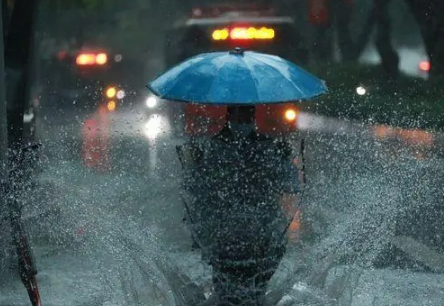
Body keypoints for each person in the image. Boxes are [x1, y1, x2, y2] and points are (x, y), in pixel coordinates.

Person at [177, 105, 302, 305]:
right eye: (242, 114)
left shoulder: (211, 148)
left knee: (230, 293)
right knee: (252, 294)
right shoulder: (267, 148)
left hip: (226, 237)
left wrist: (193, 162)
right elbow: (291, 186)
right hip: (259, 237)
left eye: (244, 114)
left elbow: (191, 188)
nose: (242, 120)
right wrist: (285, 157)